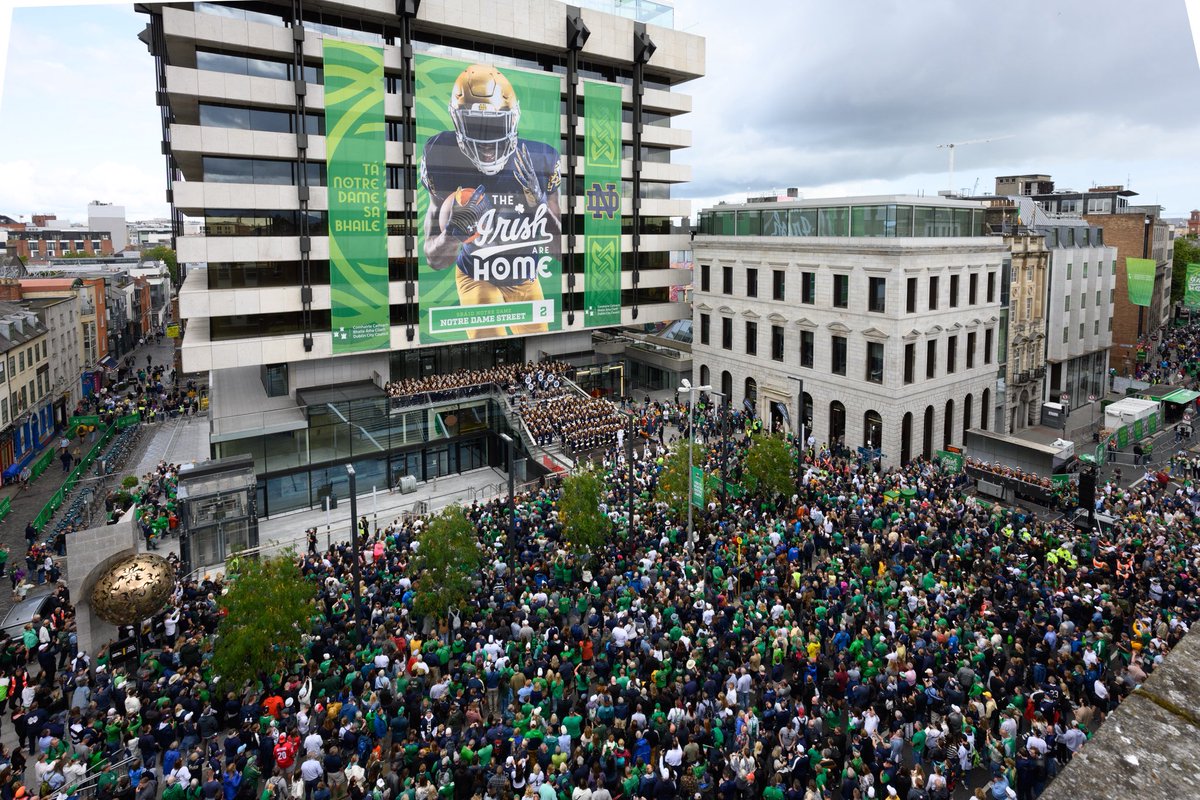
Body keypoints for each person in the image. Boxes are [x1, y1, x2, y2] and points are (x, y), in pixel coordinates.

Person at [420, 62, 562, 340]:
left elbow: (558, 250)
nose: (487, 144)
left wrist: (539, 203)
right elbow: (434, 260)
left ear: (512, 121)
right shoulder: (441, 154)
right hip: (476, 274)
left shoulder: (540, 158)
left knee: (539, 347)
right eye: (475, 126)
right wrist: (453, 234)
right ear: (458, 121)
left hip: (525, 276)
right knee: (488, 345)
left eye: (495, 126)